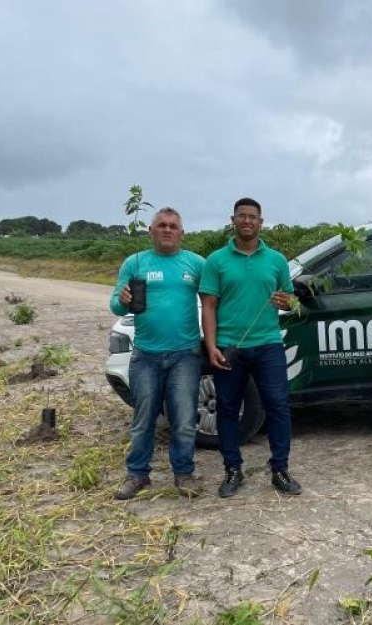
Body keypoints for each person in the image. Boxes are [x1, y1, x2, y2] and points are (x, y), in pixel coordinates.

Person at [199, 197, 302, 497]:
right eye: (241, 216)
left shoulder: (277, 260)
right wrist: (210, 346)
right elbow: (208, 306)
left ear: (261, 221)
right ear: (232, 220)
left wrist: (288, 302)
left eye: (252, 217)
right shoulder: (216, 261)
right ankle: (232, 470)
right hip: (230, 346)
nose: (247, 221)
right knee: (228, 409)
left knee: (279, 407)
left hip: (268, 343)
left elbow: (292, 301)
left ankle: (280, 470)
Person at [109, 207, 205, 499]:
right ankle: (137, 475)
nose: (167, 230)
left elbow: (215, 301)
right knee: (143, 419)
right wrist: (123, 299)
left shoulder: (196, 263)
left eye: (173, 226)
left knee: (185, 418)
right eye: (161, 225)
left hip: (186, 355)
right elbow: (115, 305)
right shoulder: (135, 262)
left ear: (182, 233)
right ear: (150, 231)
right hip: (146, 355)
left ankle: (184, 474)